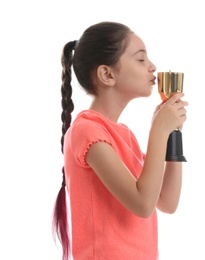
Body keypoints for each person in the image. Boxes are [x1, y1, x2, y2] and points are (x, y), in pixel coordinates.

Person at [52, 21, 188, 260]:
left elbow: (167, 201)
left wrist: (172, 132)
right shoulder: (86, 131)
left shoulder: (125, 136)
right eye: (140, 59)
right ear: (107, 74)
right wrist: (157, 131)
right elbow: (143, 204)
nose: (152, 67)